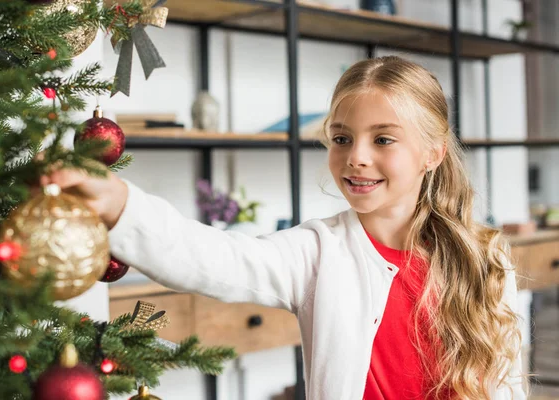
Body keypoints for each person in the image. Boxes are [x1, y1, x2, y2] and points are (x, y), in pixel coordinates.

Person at [37, 56, 527, 399]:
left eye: (382, 139)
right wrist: (123, 205)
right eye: (341, 137)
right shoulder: (318, 251)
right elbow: (211, 257)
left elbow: (507, 382)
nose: (356, 157)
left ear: (432, 153)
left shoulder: (484, 256)